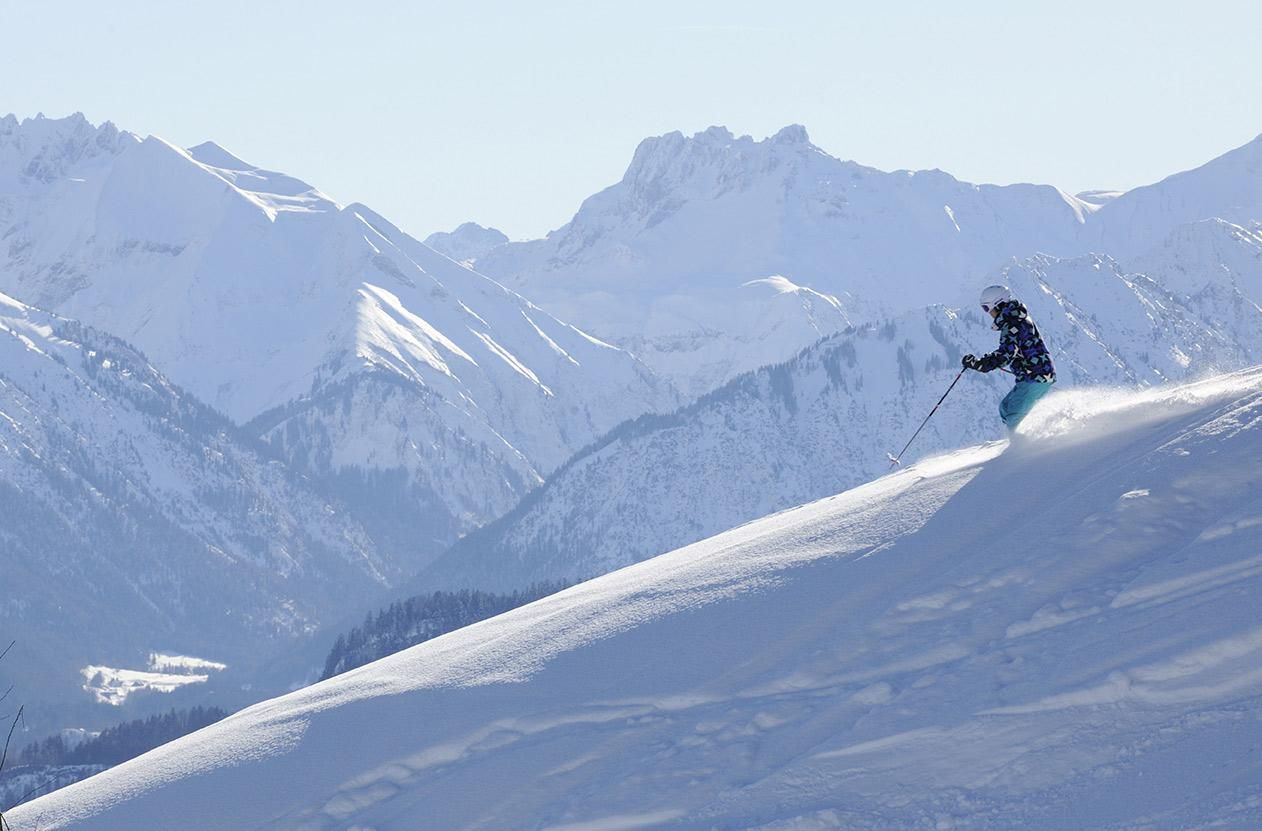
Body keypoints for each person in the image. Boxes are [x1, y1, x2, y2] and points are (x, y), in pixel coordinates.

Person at [962, 285, 1056, 431]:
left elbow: (1006, 354)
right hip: (1033, 375)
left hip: (1035, 377)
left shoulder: (1013, 323)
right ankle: (1033, 435)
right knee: (1005, 408)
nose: (988, 313)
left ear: (998, 305)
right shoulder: (1015, 318)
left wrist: (981, 364)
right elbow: (1010, 350)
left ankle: (1027, 448)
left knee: (1013, 416)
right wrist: (981, 363)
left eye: (987, 308)